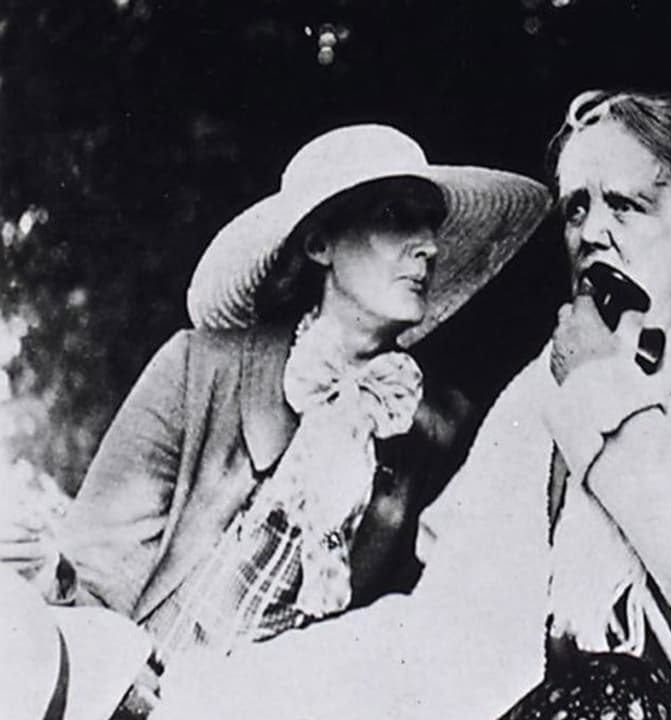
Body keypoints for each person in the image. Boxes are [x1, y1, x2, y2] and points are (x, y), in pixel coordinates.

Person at [150, 92, 671, 720]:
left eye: (626, 205)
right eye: (576, 207)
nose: (592, 231)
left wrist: (607, 394)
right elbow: (448, 604)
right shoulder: (547, 381)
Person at [0, 123, 550, 717]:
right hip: (139, 692)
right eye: (396, 217)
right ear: (320, 245)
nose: (429, 247)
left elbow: (421, 637)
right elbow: (95, 570)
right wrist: (112, 678)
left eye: (430, 225)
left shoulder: (432, 428)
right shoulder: (201, 367)